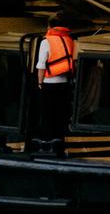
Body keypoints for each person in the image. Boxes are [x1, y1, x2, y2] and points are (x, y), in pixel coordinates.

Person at [33, 21, 78, 155]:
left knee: (46, 113)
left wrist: (39, 83)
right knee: (60, 113)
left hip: (49, 83)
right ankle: (59, 140)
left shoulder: (46, 41)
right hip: (65, 83)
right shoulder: (70, 40)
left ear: (50, 27)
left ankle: (46, 141)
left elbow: (41, 65)